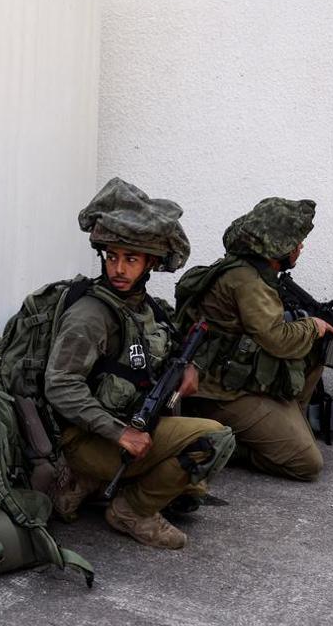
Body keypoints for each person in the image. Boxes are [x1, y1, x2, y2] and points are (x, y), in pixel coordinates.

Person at [44, 178, 237, 549]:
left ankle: (89, 485)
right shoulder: (91, 315)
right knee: (214, 440)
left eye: (130, 259)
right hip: (87, 439)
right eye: (112, 256)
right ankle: (130, 509)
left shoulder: (147, 309)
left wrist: (190, 368)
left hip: (125, 426)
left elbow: (175, 348)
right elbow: (60, 385)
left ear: (150, 262)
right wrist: (120, 433)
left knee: (190, 492)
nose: (118, 268)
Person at [174, 197, 333, 482]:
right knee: (308, 464)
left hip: (239, 381)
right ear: (277, 246)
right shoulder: (248, 282)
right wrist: (315, 326)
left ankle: (284, 426)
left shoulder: (252, 271)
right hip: (220, 393)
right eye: (296, 241)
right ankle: (223, 445)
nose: (300, 246)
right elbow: (277, 338)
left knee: (314, 341)